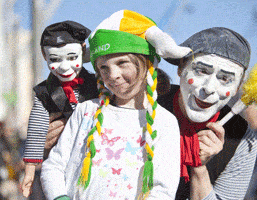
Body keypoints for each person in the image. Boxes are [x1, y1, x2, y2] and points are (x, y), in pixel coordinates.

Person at [40, 10, 190, 200]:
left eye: (122, 63)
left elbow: (162, 190)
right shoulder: (86, 111)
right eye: (104, 67)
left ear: (148, 64)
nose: (113, 75)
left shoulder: (165, 122)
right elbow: (54, 166)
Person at [157, 27, 257, 199]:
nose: (209, 88)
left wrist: (199, 168)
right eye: (202, 70)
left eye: (225, 79)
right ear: (181, 68)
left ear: (237, 87)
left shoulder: (240, 138)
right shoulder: (148, 102)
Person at [21, 21, 99, 197]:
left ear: (83, 50)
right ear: (44, 55)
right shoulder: (44, 93)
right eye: (55, 59)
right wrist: (30, 169)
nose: (65, 67)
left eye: (72, 57)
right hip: (60, 164)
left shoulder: (99, 84)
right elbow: (37, 129)